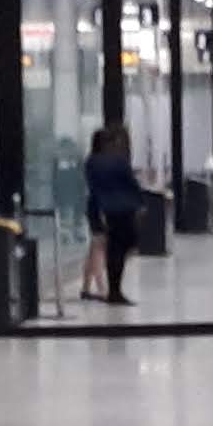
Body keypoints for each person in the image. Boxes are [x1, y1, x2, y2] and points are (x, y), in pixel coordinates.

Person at [78, 124, 144, 309]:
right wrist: (140, 203)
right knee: (115, 248)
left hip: (102, 209)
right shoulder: (117, 161)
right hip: (119, 210)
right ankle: (107, 288)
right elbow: (130, 184)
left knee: (101, 247)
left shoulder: (92, 162)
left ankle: (99, 286)